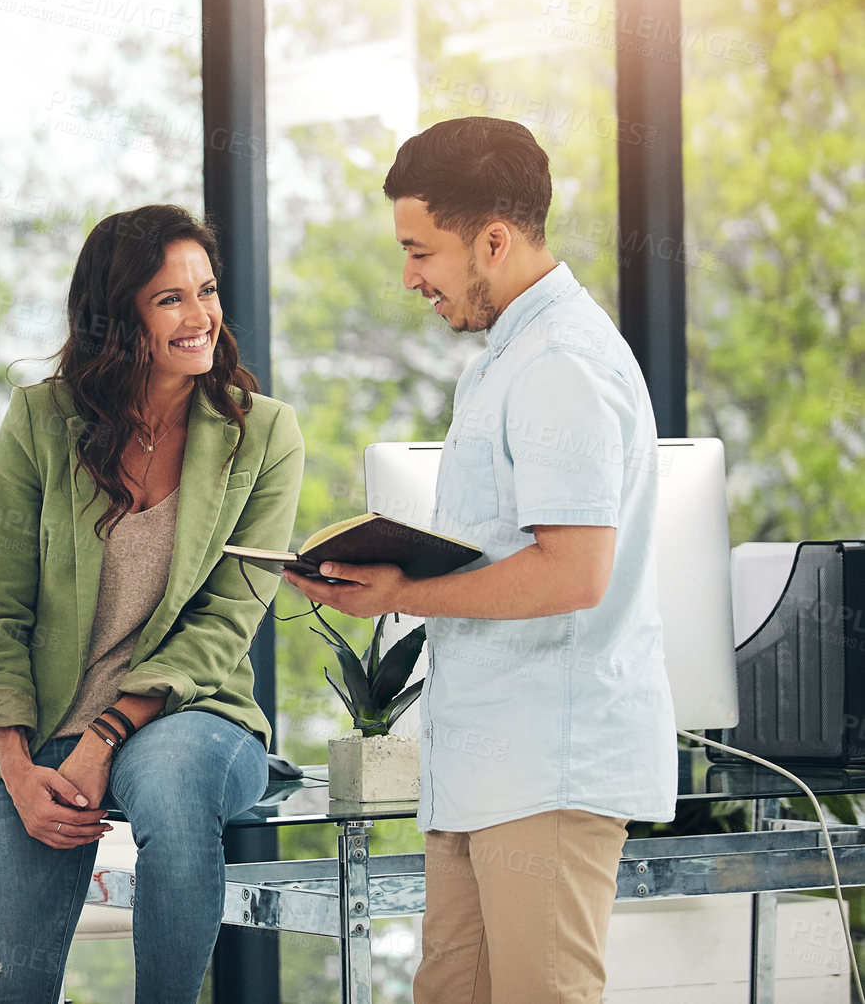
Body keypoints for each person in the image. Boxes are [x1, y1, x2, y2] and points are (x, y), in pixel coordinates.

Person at [284, 117, 676, 1004]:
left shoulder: (561, 367)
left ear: (493, 240)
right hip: (484, 768)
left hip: (550, 764)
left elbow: (574, 573)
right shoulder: (503, 360)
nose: (411, 277)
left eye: (421, 251)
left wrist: (408, 590)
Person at [0, 204, 305, 1003]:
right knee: (8, 988)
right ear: (118, 319)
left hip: (191, 713)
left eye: (207, 290)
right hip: (45, 722)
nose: (201, 317)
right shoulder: (41, 421)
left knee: (178, 786)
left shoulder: (263, 435)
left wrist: (109, 732)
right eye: (170, 299)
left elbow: (226, 620)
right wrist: (13, 764)